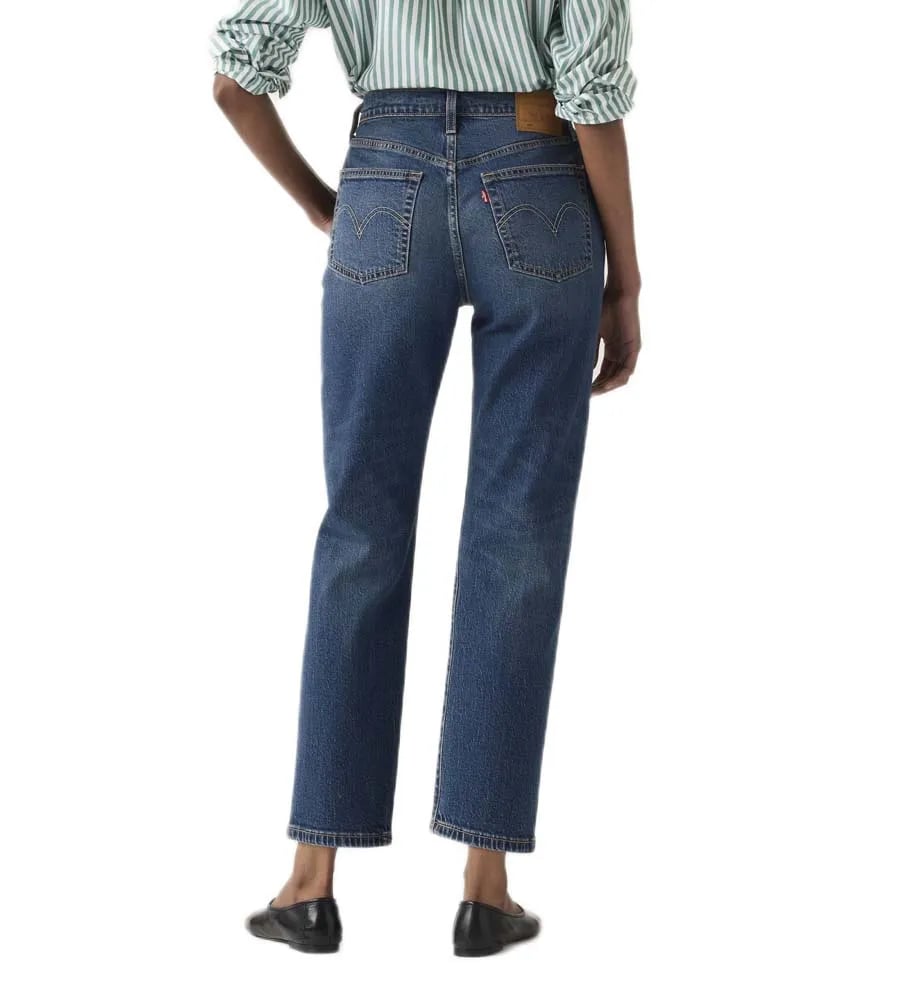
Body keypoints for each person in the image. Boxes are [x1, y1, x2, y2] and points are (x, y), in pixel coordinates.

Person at [209, 0, 641, 956]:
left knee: (359, 531)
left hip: (384, 176)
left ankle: (310, 882)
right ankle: (486, 888)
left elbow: (236, 82)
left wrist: (322, 201)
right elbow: (595, 99)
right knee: (517, 536)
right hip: (539, 172)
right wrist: (628, 279)